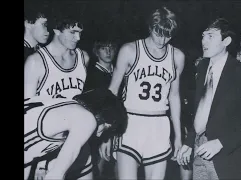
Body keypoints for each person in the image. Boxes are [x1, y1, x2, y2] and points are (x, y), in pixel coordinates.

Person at [106, 6, 185, 180]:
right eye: (159, 33)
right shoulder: (130, 50)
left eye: (168, 35)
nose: (162, 40)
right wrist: (107, 131)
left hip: (159, 126)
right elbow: (112, 91)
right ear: (150, 27)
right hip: (130, 123)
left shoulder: (177, 56)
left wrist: (178, 136)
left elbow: (174, 96)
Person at [177, 18, 241, 179]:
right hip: (200, 152)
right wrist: (189, 142)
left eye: (210, 36)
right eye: (203, 36)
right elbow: (202, 110)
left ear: (226, 41)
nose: (203, 41)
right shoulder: (201, 69)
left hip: (231, 159)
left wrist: (221, 142)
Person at [24, 13, 89, 99]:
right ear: (56, 31)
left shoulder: (84, 57)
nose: (78, 38)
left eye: (80, 33)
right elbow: (28, 107)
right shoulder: (35, 61)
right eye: (72, 32)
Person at [83, 39, 118, 179]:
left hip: (120, 127)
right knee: (99, 168)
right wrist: (105, 135)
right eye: (104, 48)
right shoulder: (91, 76)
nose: (108, 51)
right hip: (100, 130)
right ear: (96, 52)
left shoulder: (120, 73)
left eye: (111, 47)